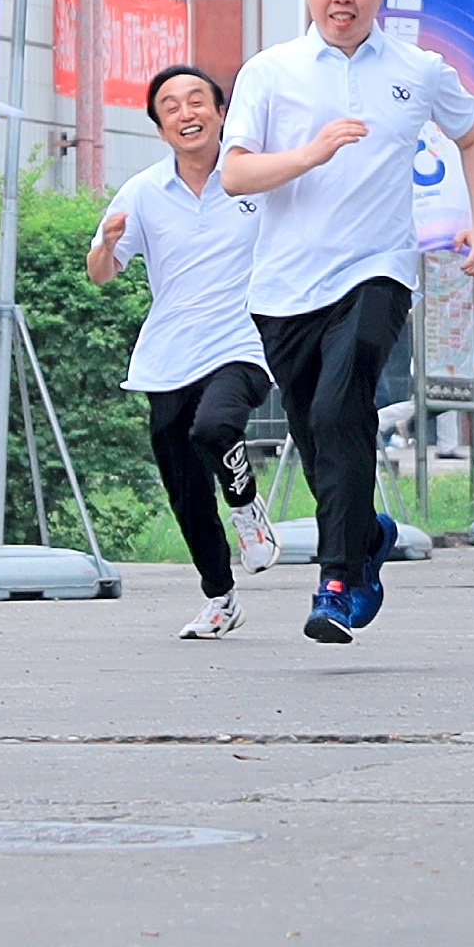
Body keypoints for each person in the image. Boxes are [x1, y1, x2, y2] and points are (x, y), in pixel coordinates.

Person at [219, 0, 474, 645]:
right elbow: (235, 174)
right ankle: (367, 534)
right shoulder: (270, 71)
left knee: (341, 404)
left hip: (378, 271)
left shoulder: (419, 68)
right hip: (284, 288)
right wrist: (309, 154)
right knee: (321, 430)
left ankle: (338, 580)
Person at [90, 62, 277, 638]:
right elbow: (101, 272)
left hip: (243, 341)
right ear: (160, 127)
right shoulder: (143, 191)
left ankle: (246, 506)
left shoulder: (255, 177)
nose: (186, 113)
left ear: (221, 113)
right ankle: (220, 597)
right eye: (170, 107)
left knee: (215, 427)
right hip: (168, 354)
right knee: (186, 487)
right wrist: (108, 246)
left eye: (197, 101)